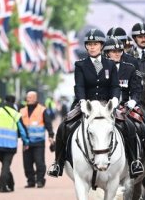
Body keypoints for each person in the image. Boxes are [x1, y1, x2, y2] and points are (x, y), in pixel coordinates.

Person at [48, 28, 124, 178]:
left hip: (106, 105)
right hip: (86, 104)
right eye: (89, 44)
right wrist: (82, 101)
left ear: (102, 45)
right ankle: (58, 163)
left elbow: (115, 86)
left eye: (95, 44)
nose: (91, 47)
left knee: (128, 126)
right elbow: (79, 86)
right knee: (64, 125)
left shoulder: (110, 64)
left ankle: (133, 161)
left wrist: (115, 99)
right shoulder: (80, 65)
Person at [105, 36, 145, 179]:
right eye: (113, 51)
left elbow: (136, 90)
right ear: (107, 53)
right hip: (106, 107)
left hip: (126, 106)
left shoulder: (129, 67)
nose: (117, 53)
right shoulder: (101, 68)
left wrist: (133, 101)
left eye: (119, 51)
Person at [0, 94, 29, 193]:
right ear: (14, 102)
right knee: (6, 165)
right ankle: (2, 186)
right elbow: (22, 130)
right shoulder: (16, 114)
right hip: (10, 144)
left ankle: (11, 184)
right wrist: (26, 142)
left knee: (5, 165)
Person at [19, 91, 53, 188]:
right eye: (27, 97)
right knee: (27, 164)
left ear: (35, 98)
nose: (27, 99)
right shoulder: (22, 110)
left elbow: (48, 123)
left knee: (39, 162)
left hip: (38, 142)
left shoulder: (42, 110)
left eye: (29, 97)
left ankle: (40, 180)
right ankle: (31, 181)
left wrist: (51, 135)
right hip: (26, 142)